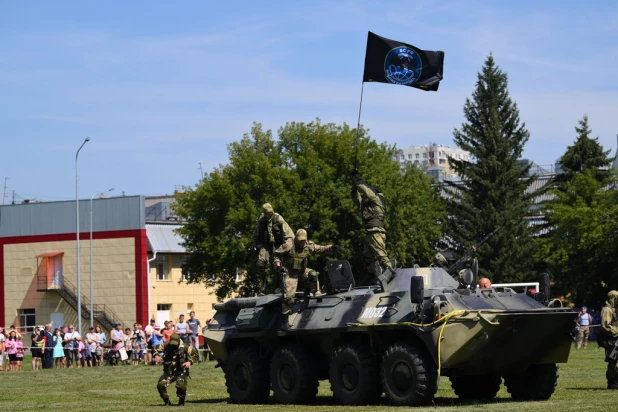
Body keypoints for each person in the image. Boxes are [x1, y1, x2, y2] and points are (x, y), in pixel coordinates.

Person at [274, 228, 340, 315]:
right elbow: (276, 255)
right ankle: (286, 310)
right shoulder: (289, 245)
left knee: (313, 274)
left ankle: (308, 290)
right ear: (296, 238)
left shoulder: (308, 246)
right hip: (290, 274)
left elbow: (320, 249)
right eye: (300, 240)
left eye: (304, 240)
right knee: (289, 299)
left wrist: (331, 247)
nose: (302, 242)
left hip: (302, 271)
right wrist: (278, 266)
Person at [350, 171, 393, 279]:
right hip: (369, 233)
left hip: (377, 232)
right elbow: (356, 199)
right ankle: (374, 277)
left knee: (382, 256)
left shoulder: (378, 200)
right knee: (367, 259)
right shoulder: (367, 206)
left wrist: (357, 179)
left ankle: (392, 274)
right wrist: (354, 187)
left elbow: (366, 190)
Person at [252, 203, 294, 292]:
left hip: (278, 244)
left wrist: (287, 245)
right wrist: (254, 244)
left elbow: (289, 234)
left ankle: (279, 284)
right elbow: (256, 233)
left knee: (278, 265)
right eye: (266, 213)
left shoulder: (278, 218)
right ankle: (264, 281)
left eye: (269, 213)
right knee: (260, 262)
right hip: (266, 244)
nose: (267, 215)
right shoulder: (261, 220)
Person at [155, 333, 198, 406]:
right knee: (160, 385)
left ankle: (181, 402)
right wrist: (156, 355)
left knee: (181, 386)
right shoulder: (166, 345)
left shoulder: (185, 347)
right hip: (169, 371)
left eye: (175, 344)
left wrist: (189, 362)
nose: (173, 346)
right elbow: (155, 348)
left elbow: (195, 355)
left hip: (181, 371)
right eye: (172, 344)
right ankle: (167, 402)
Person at [600, 290, 618, 390]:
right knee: (613, 360)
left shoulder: (614, 309)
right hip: (611, 340)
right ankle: (613, 382)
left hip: (615, 338)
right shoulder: (607, 310)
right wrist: (616, 331)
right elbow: (605, 326)